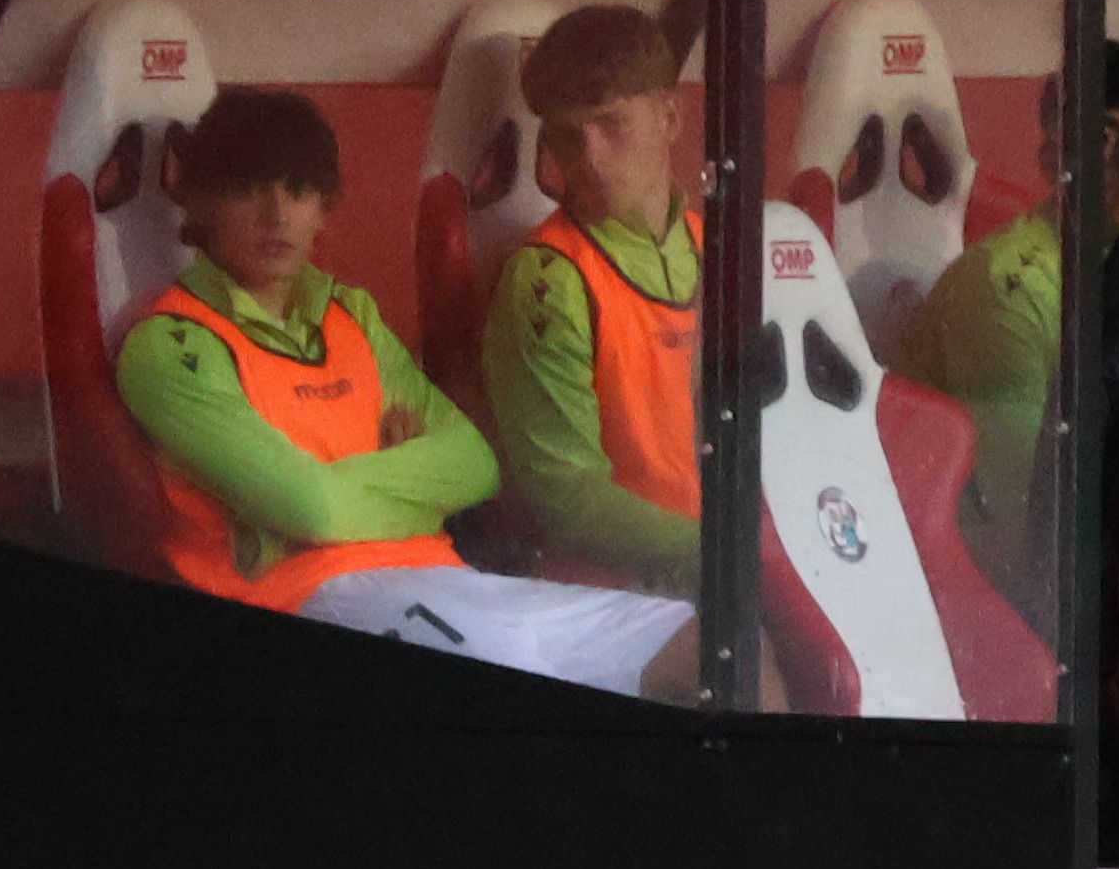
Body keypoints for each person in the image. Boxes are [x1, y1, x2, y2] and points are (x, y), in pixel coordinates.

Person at [115, 87, 689, 695]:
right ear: (201, 202)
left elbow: (473, 464)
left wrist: (333, 489)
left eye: (299, 190)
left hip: (442, 574)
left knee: (702, 642)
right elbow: (313, 509)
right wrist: (409, 480)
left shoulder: (348, 315)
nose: (277, 213)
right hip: (304, 596)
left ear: (324, 208)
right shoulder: (172, 343)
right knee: (514, 663)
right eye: (248, 187)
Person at [893, 39, 1119, 584]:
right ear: (1053, 162)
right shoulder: (1006, 290)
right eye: (1103, 138)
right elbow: (1024, 518)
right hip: (981, 582)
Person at [489, 1, 702, 599]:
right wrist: (735, 552)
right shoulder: (547, 279)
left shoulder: (721, 248)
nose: (590, 159)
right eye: (565, 135)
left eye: (612, 125)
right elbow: (568, 501)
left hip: (722, 569)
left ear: (669, 118)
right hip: (607, 592)